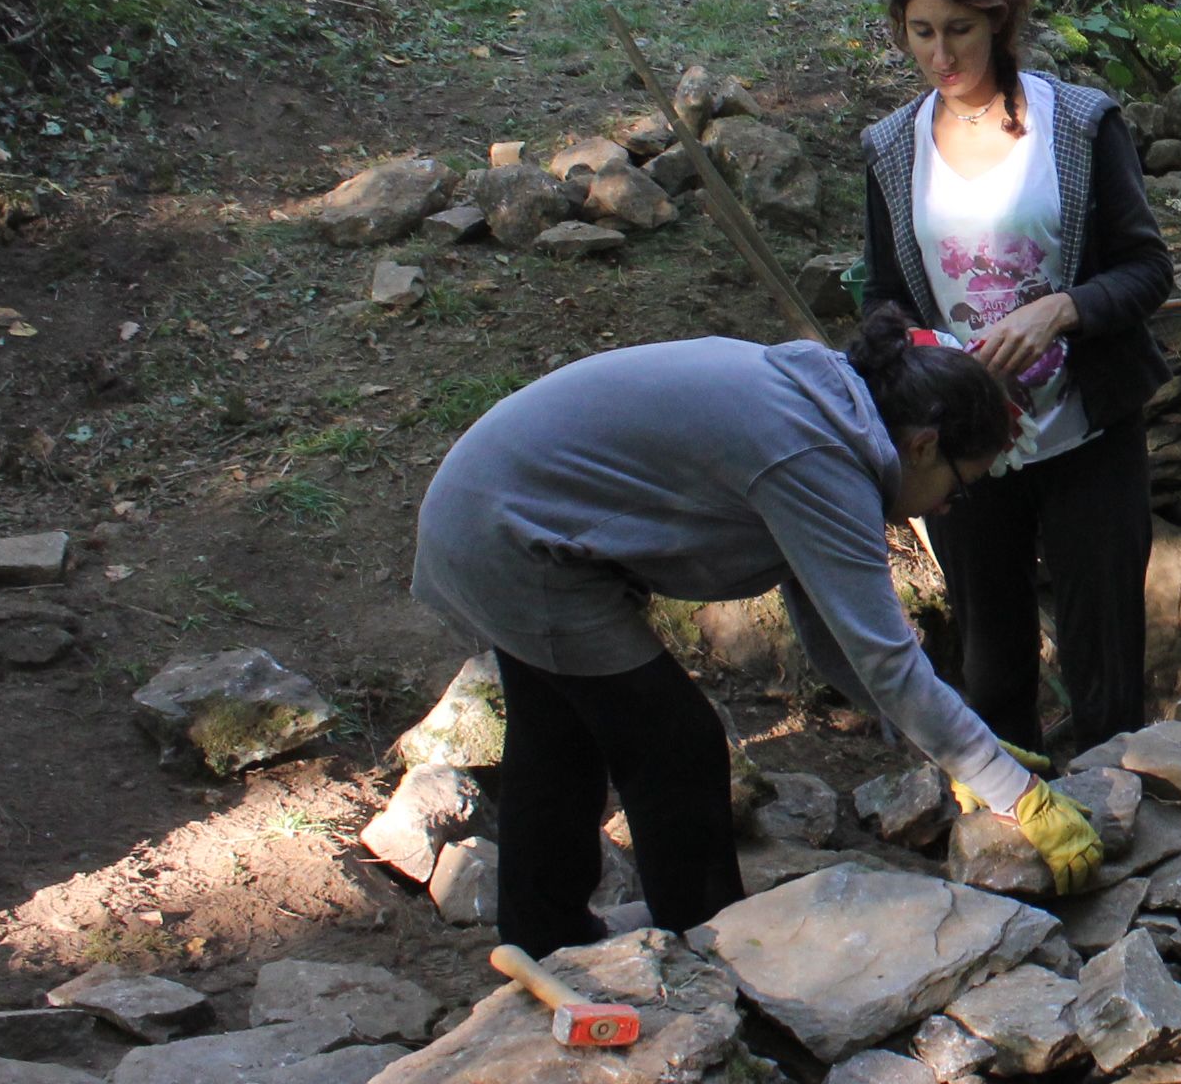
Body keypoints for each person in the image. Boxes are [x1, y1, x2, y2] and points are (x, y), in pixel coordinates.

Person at [409, 316, 1099, 958]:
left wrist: (962, 751)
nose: (951, 506)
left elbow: (840, 638)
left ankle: (544, 937)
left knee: (560, 734)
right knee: (677, 746)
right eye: (961, 485)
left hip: (492, 510)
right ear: (922, 445)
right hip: (512, 540)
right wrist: (1007, 783)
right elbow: (888, 661)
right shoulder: (819, 457)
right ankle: (708, 954)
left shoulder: (831, 408)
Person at [862, 0, 1176, 762]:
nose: (941, 52)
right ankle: (1013, 829)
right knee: (993, 663)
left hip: (1089, 431)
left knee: (1106, 661)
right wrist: (921, 353)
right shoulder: (892, 148)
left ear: (998, 23)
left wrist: (1060, 311)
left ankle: (1126, 823)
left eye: (959, 29)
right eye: (921, 31)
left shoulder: (1077, 124)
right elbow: (884, 300)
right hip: (966, 447)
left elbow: (1149, 270)